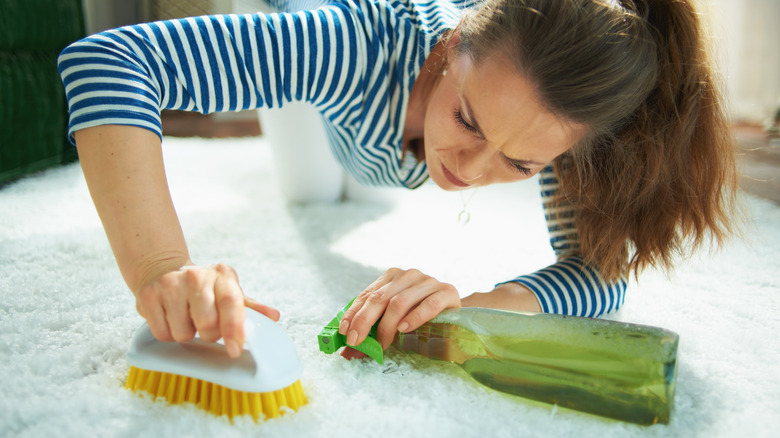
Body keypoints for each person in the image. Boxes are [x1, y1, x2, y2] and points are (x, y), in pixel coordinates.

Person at [58, 0, 738, 359]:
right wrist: (160, 266)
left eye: (518, 164)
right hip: (302, 34)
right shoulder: (347, 48)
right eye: (468, 119)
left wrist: (474, 304)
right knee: (313, 195)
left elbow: (603, 274)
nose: (469, 172)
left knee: (359, 188)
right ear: (447, 50)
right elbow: (106, 63)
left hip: (385, 139)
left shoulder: (552, 117)